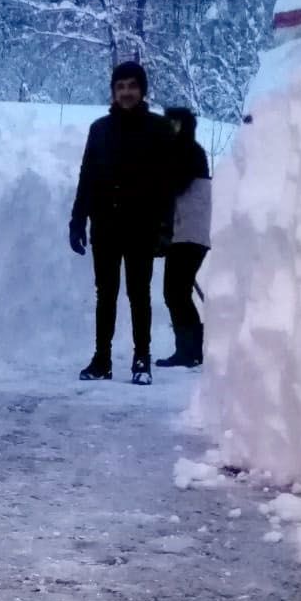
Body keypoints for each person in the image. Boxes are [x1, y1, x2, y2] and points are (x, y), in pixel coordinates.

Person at [68, 60, 174, 385]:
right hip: (106, 226)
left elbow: (167, 184)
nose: (126, 92)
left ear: (142, 90)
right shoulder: (99, 130)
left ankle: (142, 359)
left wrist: (166, 230)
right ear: (113, 92)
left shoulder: (158, 130)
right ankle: (102, 359)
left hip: (142, 227)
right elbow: (86, 177)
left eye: (132, 86)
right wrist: (77, 221)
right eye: (120, 86)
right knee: (106, 294)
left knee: (139, 294)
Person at [155, 107, 211, 369]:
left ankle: (189, 351)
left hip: (189, 233)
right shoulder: (185, 152)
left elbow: (172, 186)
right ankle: (191, 350)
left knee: (175, 291)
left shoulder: (187, 152)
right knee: (178, 292)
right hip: (187, 233)